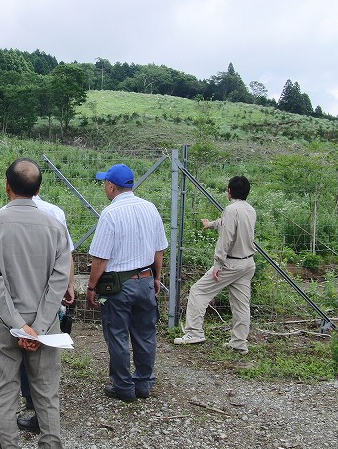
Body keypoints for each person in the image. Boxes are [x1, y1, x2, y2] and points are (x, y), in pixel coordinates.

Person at [0, 158, 71, 449]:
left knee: (4, 393)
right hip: (46, 322)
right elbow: (59, 282)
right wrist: (40, 326)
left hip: (4, 321)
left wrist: (19, 326)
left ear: (7, 186)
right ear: (39, 188)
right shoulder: (55, 226)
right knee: (46, 395)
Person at [87, 163, 168, 402]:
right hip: (145, 279)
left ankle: (123, 386)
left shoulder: (110, 213)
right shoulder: (150, 208)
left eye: (105, 183)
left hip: (118, 286)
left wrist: (92, 286)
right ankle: (143, 383)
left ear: (111, 186)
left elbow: (100, 258)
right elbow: (159, 250)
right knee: (145, 334)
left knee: (118, 334)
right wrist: (156, 277)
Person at [174, 175, 256, 354]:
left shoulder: (230, 209)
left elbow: (226, 238)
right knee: (241, 305)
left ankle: (194, 332)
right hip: (247, 263)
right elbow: (227, 225)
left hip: (230, 264)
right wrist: (210, 224)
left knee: (198, 291)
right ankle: (239, 343)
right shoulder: (249, 210)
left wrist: (218, 263)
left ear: (229, 191)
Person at [16, 194, 75, 434]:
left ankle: (29, 396)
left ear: (9, 185)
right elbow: (66, 254)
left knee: (20, 343)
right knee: (47, 351)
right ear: (38, 185)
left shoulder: (2, 215)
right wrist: (69, 285)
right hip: (49, 292)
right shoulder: (55, 212)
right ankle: (45, 407)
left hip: (18, 295)